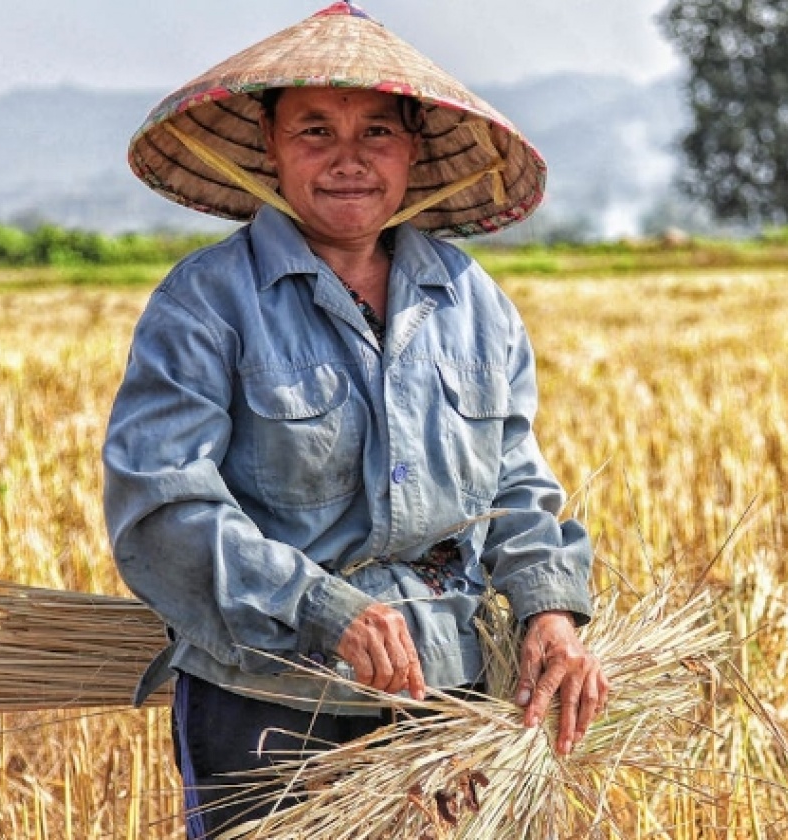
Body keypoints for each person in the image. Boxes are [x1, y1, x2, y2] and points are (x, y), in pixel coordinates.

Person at [102, 4, 607, 835]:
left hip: (452, 689)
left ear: (415, 149)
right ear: (269, 146)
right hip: (269, 698)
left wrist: (550, 610)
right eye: (314, 132)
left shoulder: (472, 302)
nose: (349, 161)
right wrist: (323, 606)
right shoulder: (205, 305)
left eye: (377, 132)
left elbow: (516, 483)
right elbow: (164, 510)